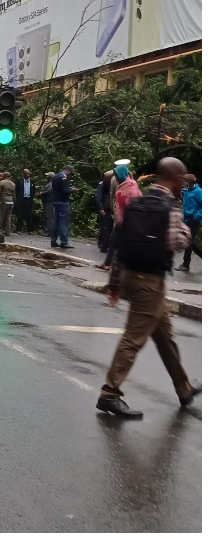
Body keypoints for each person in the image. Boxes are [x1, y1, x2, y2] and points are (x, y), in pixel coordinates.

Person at [97, 158, 201, 418]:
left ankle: (183, 387)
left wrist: (115, 283)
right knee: (133, 338)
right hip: (151, 282)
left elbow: (120, 244)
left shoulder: (136, 203)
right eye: (182, 179)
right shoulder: (171, 206)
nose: (183, 184)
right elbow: (176, 242)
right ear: (174, 179)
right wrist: (186, 231)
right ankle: (109, 393)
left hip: (131, 276)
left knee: (164, 335)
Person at [99, 162, 141, 270]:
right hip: (121, 218)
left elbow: (131, 204)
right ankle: (108, 263)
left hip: (127, 220)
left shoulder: (129, 186)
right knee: (113, 240)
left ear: (122, 174)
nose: (115, 177)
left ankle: (126, 266)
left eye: (117, 175)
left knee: (121, 242)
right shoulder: (124, 184)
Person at [176, 173, 202, 272]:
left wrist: (197, 216)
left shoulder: (199, 192)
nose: (183, 182)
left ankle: (185, 264)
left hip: (194, 220)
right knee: (190, 242)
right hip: (186, 219)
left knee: (188, 241)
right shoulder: (186, 190)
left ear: (190, 182)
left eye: (185, 181)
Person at [50, 165, 77, 248]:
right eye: (70, 173)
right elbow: (65, 191)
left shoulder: (55, 176)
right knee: (63, 222)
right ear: (68, 170)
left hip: (56, 201)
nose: (69, 175)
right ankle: (64, 241)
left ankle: (53, 241)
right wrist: (72, 189)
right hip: (63, 202)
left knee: (55, 222)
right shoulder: (63, 178)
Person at [95, 170, 115, 253]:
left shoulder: (111, 185)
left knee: (107, 226)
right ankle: (101, 242)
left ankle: (105, 243)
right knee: (104, 226)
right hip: (105, 206)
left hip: (108, 207)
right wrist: (100, 208)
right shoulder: (102, 184)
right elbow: (98, 198)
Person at [15, 169, 36, 234]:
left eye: (29, 173)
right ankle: (19, 229)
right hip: (21, 199)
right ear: (23, 174)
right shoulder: (19, 181)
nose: (28, 175)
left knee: (29, 215)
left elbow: (34, 190)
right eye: (26, 173)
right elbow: (17, 190)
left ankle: (30, 230)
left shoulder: (32, 181)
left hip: (29, 199)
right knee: (20, 214)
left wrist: (32, 196)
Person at [0, 171, 15, 237]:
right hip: (11, 202)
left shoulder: (1, 183)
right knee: (8, 217)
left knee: (1, 216)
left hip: (4, 201)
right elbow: (14, 195)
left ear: (4, 176)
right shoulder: (13, 184)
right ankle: (8, 231)